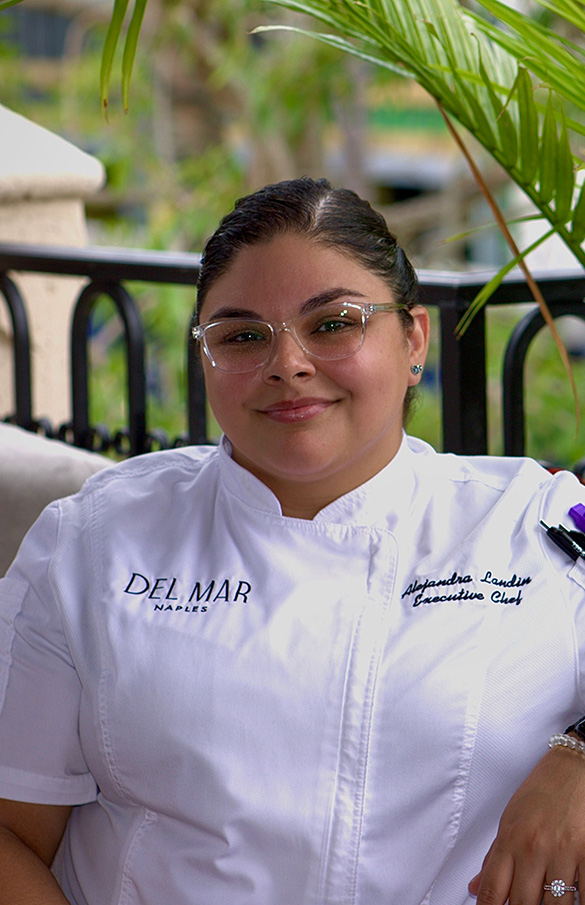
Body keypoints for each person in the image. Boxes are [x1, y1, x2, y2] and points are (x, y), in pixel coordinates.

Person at [0, 176, 585, 905]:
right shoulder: (94, 543)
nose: (288, 363)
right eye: (242, 335)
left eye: (333, 323)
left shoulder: (532, 527)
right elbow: (11, 829)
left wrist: (579, 758)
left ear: (412, 340)